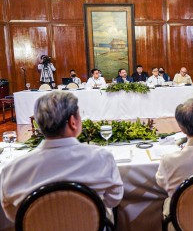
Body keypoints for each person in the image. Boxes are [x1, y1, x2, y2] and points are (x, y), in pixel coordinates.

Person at [0, 92, 123, 222]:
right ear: (72, 122)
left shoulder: (11, 170)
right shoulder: (102, 158)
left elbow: (12, 214)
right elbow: (114, 199)